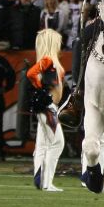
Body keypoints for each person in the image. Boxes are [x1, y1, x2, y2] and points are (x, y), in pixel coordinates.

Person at [28, 29, 66, 192]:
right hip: (48, 107)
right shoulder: (48, 59)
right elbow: (31, 73)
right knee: (57, 143)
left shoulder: (49, 61)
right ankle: (46, 182)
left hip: (48, 107)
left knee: (43, 144)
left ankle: (40, 178)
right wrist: (41, 90)